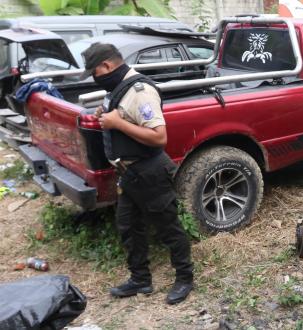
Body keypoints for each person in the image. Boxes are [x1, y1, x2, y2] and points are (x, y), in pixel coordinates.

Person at [80, 43, 194, 305]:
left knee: (168, 228)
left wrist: (117, 122)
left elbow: (159, 136)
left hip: (150, 172)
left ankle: (185, 278)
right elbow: (123, 117)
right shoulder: (117, 89)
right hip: (128, 174)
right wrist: (106, 116)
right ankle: (140, 279)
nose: (94, 78)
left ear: (107, 66)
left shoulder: (140, 91)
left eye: (95, 72)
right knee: (129, 227)